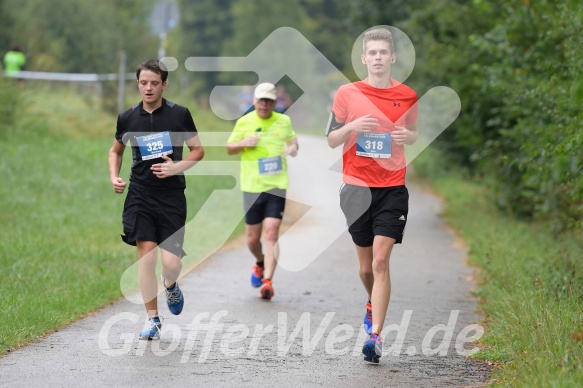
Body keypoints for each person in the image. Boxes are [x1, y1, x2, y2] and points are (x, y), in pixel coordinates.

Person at [325, 27, 418, 363]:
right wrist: (353, 127)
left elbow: (412, 133)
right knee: (366, 268)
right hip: (356, 188)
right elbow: (332, 139)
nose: (378, 58)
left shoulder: (407, 95)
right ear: (364, 58)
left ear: (392, 57)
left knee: (381, 261)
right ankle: (370, 301)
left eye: (383, 53)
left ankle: (375, 336)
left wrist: (409, 136)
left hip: (392, 187)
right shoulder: (347, 93)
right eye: (372, 53)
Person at [108, 59, 205, 340]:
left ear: (164, 84)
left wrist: (177, 167)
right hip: (140, 195)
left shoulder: (180, 115)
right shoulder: (127, 117)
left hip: (172, 197)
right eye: (143, 83)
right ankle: (152, 318)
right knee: (146, 258)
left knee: (171, 264)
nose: (148, 88)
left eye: (154, 83)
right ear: (137, 84)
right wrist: (114, 176)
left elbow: (198, 151)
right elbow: (115, 151)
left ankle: (171, 284)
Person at [226, 82, 298, 300]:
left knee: (272, 232)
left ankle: (268, 280)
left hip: (276, 185)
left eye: (268, 100)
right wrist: (244, 143)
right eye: (261, 100)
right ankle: (259, 262)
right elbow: (229, 148)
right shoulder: (244, 122)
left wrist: (293, 148)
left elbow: (293, 141)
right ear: (254, 101)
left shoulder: (283, 121)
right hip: (252, 187)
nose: (264, 104)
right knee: (252, 239)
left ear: (275, 102)